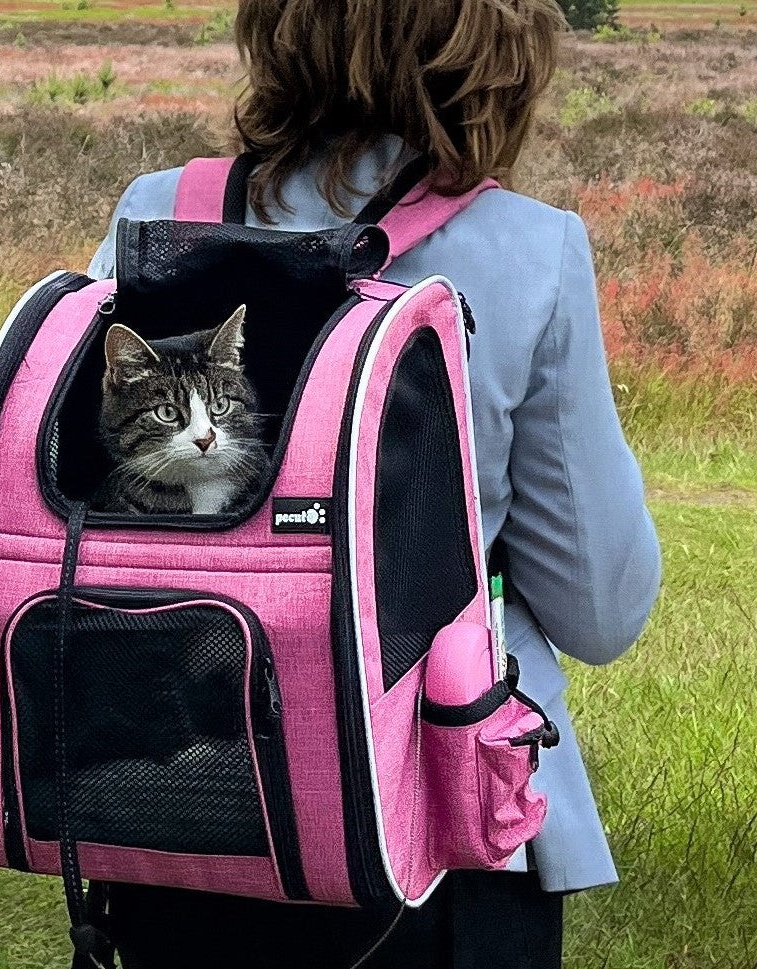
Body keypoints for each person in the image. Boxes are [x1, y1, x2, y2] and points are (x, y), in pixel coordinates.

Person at [87, 1, 663, 966]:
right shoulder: (532, 249)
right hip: (435, 834)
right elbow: (602, 610)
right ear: (494, 51)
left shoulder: (156, 214)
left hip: (182, 806)